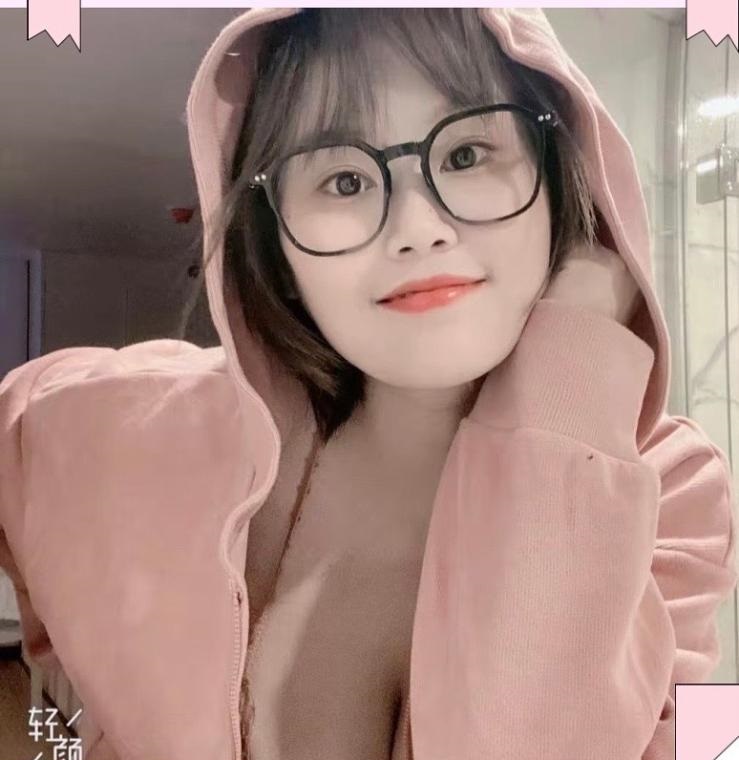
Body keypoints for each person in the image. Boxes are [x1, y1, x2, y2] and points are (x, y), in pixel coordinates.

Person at [0, 8, 735, 760]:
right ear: (276, 241)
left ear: (557, 176)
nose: (417, 226)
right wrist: (60, 726)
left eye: (466, 154)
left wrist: (569, 388)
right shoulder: (111, 422)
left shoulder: (672, 488)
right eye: (344, 180)